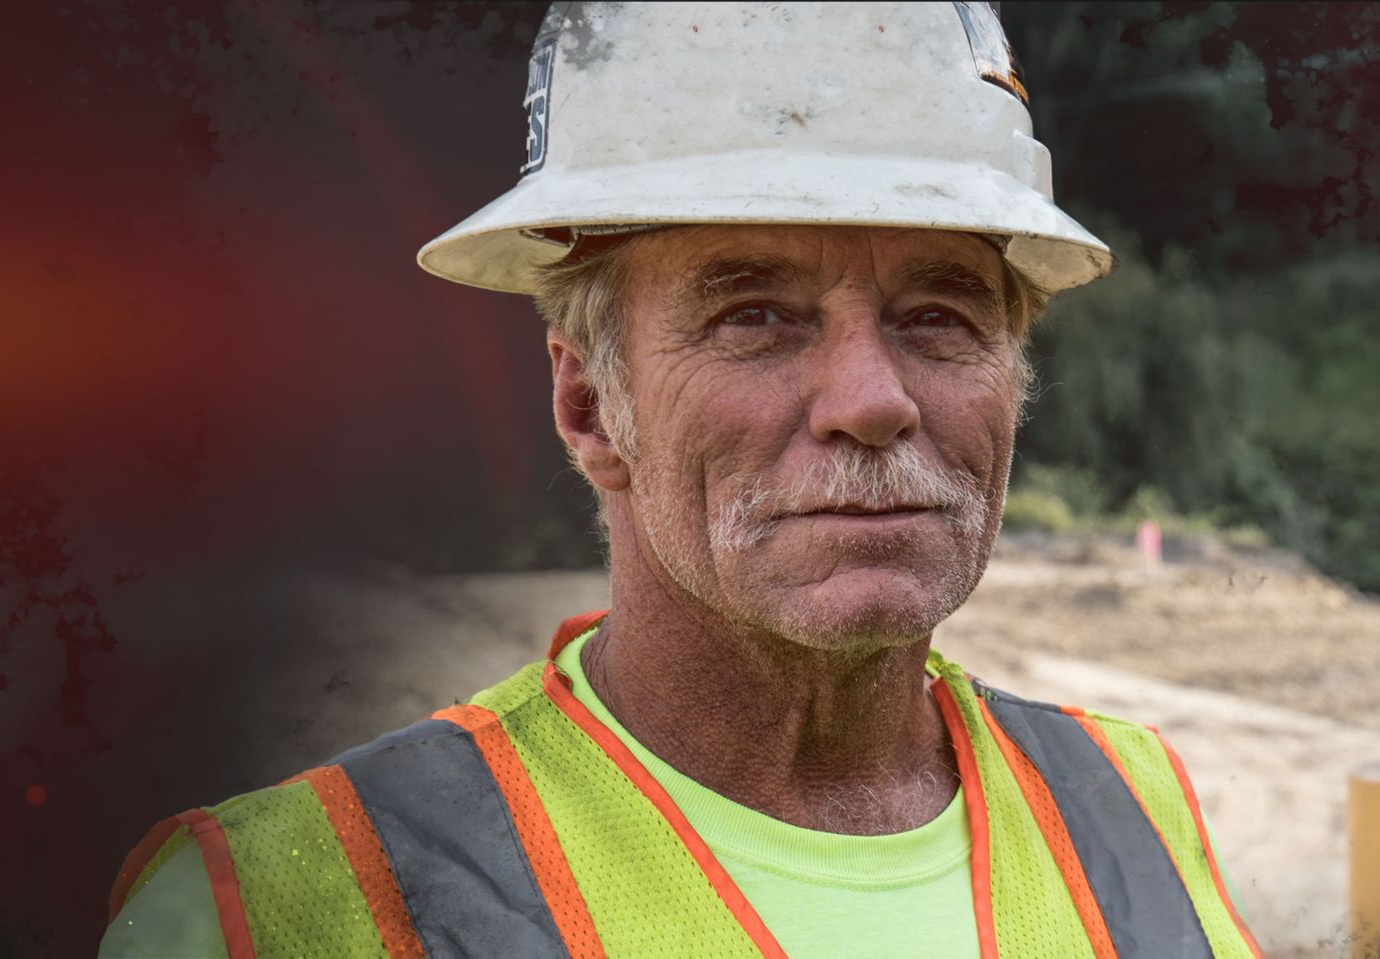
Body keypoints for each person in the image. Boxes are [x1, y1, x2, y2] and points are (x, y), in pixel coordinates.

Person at [101, 4, 1261, 956]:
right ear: (588, 405)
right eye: (753, 314)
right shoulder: (282, 907)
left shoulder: (1133, 807)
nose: (873, 397)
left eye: (939, 314)